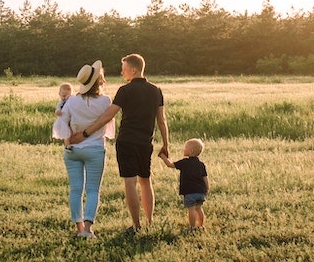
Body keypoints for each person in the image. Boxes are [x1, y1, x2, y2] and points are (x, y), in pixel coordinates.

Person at [68, 53, 169, 231]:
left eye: (124, 70)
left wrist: (85, 133)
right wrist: (166, 144)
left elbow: (108, 116)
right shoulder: (156, 90)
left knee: (130, 182)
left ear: (133, 70)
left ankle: (136, 225)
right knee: (146, 180)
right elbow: (162, 120)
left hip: (127, 141)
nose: (122, 73)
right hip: (146, 142)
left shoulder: (125, 90)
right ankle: (150, 222)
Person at [56, 61, 114, 239]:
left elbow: (61, 124)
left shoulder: (71, 101)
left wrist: (68, 141)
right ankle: (88, 229)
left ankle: (79, 228)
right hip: (95, 149)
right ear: (99, 81)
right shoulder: (105, 101)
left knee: (75, 190)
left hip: (72, 150)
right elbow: (109, 124)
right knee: (93, 190)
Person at [161, 138, 209, 231]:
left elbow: (170, 165)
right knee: (199, 208)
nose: (184, 149)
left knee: (191, 209)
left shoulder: (184, 162)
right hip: (200, 192)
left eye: (185, 147)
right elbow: (205, 178)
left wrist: (163, 156)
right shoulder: (201, 164)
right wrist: (207, 189)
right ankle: (201, 226)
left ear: (190, 151)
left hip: (190, 192)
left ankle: (192, 227)